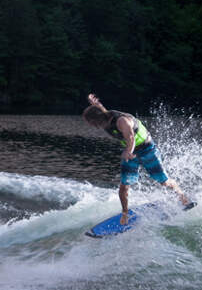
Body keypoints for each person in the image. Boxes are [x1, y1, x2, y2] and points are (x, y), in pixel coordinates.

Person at [82, 93, 194, 225]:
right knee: (124, 186)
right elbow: (100, 108)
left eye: (90, 122)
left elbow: (130, 137)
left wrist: (128, 151)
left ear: (97, 119)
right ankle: (125, 213)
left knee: (163, 181)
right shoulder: (104, 117)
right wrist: (93, 103)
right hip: (130, 152)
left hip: (147, 149)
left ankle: (181, 195)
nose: (90, 125)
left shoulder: (121, 121)